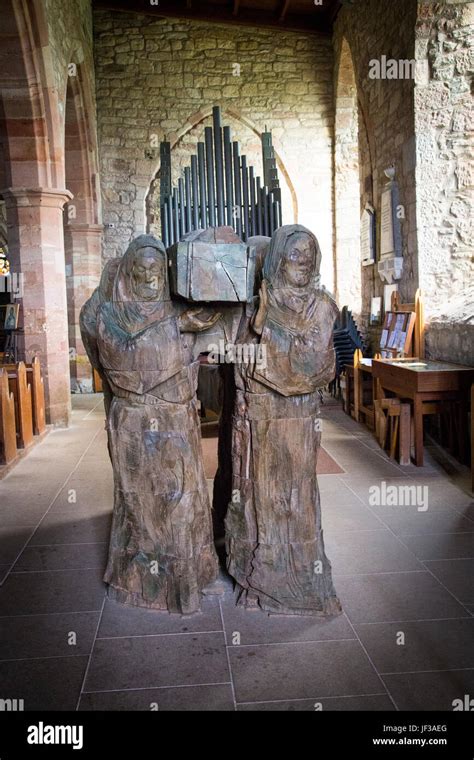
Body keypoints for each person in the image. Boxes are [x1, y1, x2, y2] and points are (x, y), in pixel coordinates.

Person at [91, 234, 220, 614]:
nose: (149, 277)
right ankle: (146, 583)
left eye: (155, 270)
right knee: (144, 509)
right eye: (141, 270)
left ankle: (190, 576)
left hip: (177, 420)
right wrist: (177, 328)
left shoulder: (178, 309)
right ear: (128, 273)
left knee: (183, 502)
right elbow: (123, 366)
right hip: (135, 422)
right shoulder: (111, 314)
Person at [225, 224, 342, 616]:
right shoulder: (258, 301)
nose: (303, 262)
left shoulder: (322, 306)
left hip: (298, 418)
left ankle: (302, 584)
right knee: (261, 499)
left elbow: (312, 366)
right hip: (261, 418)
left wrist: (266, 328)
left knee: (297, 501)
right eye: (294, 255)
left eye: (309, 254)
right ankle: (259, 580)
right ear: (277, 260)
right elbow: (240, 357)